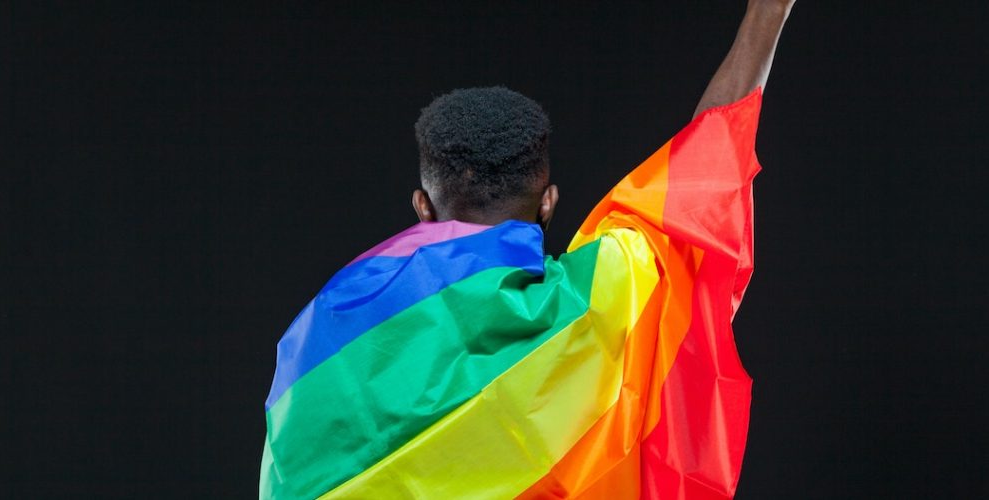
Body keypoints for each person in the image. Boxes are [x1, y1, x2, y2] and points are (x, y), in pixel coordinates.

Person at [260, 1, 796, 498]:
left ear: (423, 206)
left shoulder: (325, 327)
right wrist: (766, 14)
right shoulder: (593, 310)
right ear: (549, 203)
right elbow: (696, 186)